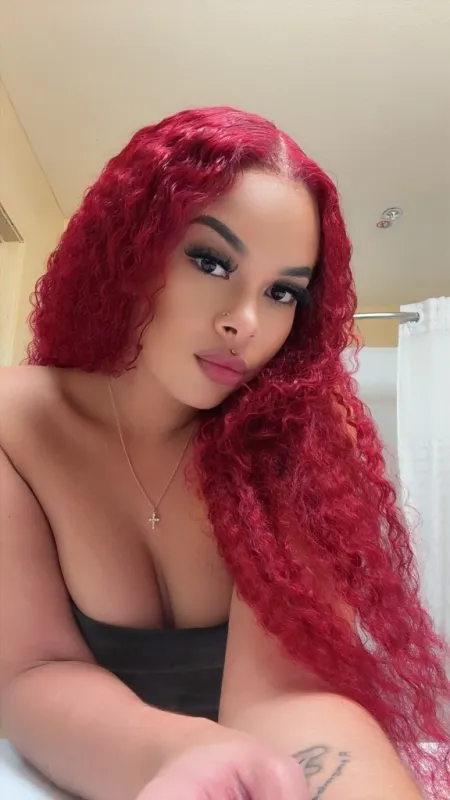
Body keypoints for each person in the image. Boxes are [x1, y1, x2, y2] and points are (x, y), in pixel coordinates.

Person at [0, 107, 448, 800]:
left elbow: (289, 693)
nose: (246, 321)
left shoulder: (303, 432)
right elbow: (32, 671)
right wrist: (180, 755)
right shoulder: (17, 424)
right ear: (130, 248)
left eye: (282, 292)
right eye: (211, 261)